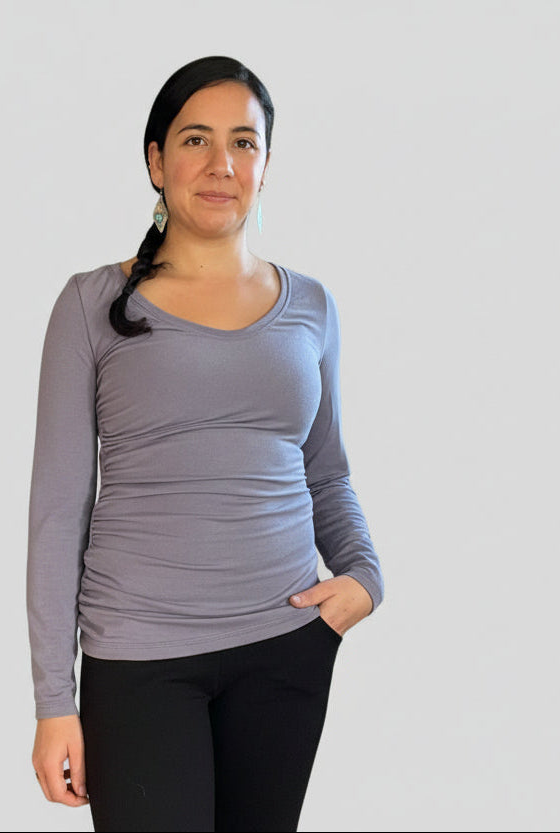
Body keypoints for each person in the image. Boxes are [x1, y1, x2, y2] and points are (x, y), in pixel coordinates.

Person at [26, 55, 385, 832]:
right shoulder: (92, 304)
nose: (221, 163)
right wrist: (55, 700)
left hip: (285, 648)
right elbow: (58, 510)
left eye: (242, 142)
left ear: (265, 164)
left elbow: (326, 472)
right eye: (195, 140)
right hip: (140, 657)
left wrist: (364, 576)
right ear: (156, 161)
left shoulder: (311, 305)